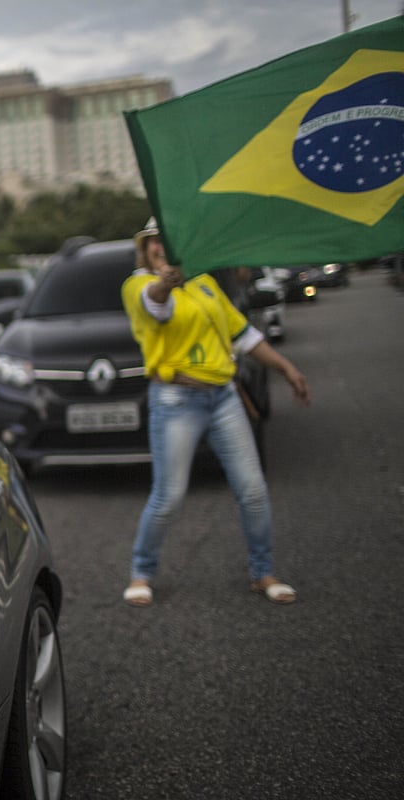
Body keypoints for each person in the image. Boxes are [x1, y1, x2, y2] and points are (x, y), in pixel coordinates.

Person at [120, 219, 311, 608]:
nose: (161, 247)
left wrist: (287, 369)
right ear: (145, 249)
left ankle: (263, 572)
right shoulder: (138, 284)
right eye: (154, 241)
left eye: (168, 240)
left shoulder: (205, 284)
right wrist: (166, 282)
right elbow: (157, 306)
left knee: (253, 490)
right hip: (176, 402)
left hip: (223, 398)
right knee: (169, 496)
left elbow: (244, 336)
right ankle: (142, 571)